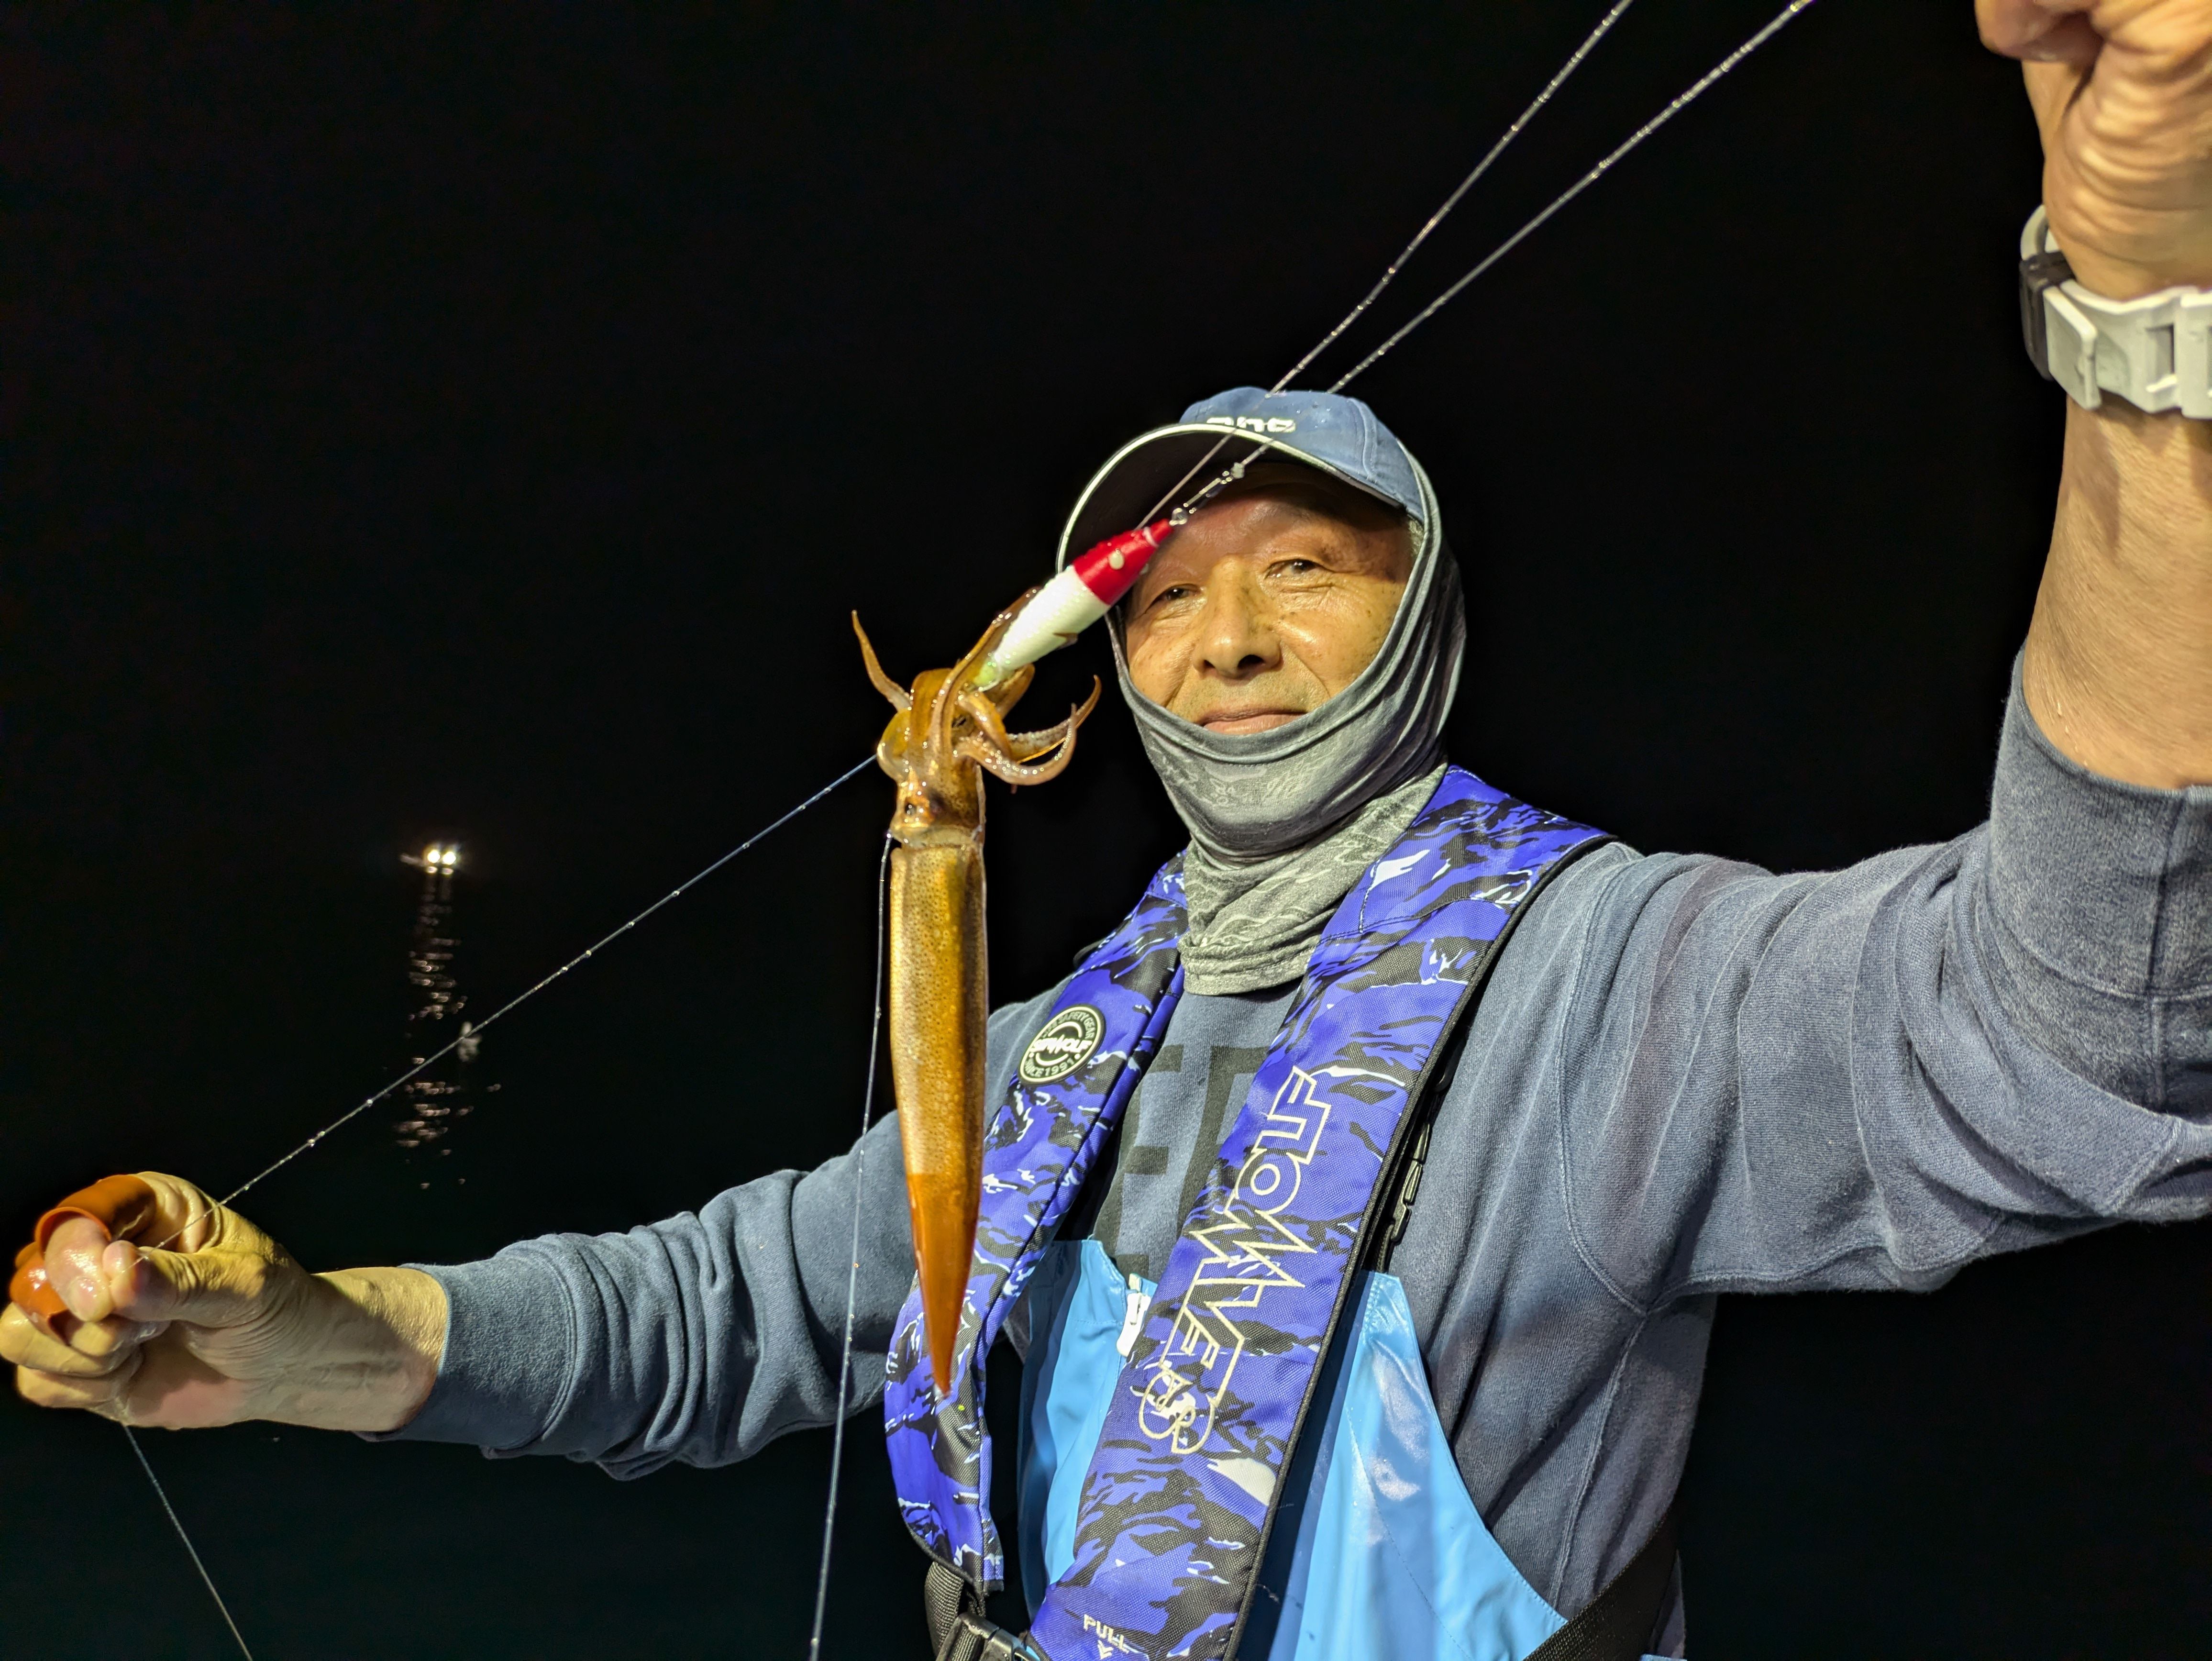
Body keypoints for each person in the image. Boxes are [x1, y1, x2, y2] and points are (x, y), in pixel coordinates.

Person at [9, 2, 2212, 1656]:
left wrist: (2145, 324)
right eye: (1169, 591)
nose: (1228, 633)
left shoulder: (1620, 989)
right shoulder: (1058, 1044)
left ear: (1429, 626)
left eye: (1311, 565)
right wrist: (296, 1330)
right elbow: (714, 1317)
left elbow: (2093, 1036)